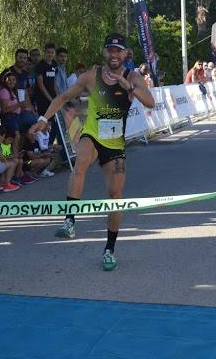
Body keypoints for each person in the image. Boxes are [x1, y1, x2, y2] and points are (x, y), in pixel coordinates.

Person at [30, 33, 155, 271]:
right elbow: (63, 96)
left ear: (126, 54)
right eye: (110, 50)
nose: (114, 54)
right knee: (81, 162)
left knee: (116, 196)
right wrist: (43, 119)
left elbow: (150, 102)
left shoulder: (133, 76)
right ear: (105, 52)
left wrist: (129, 88)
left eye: (119, 51)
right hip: (93, 135)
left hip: (115, 143)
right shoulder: (91, 76)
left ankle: (109, 249)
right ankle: (69, 220)